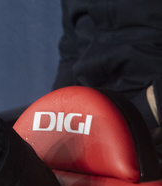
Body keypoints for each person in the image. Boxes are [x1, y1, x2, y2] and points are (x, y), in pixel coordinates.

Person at [53, 0, 162, 132]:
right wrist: (53, 116)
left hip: (149, 113)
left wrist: (148, 110)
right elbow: (71, 55)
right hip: (90, 112)